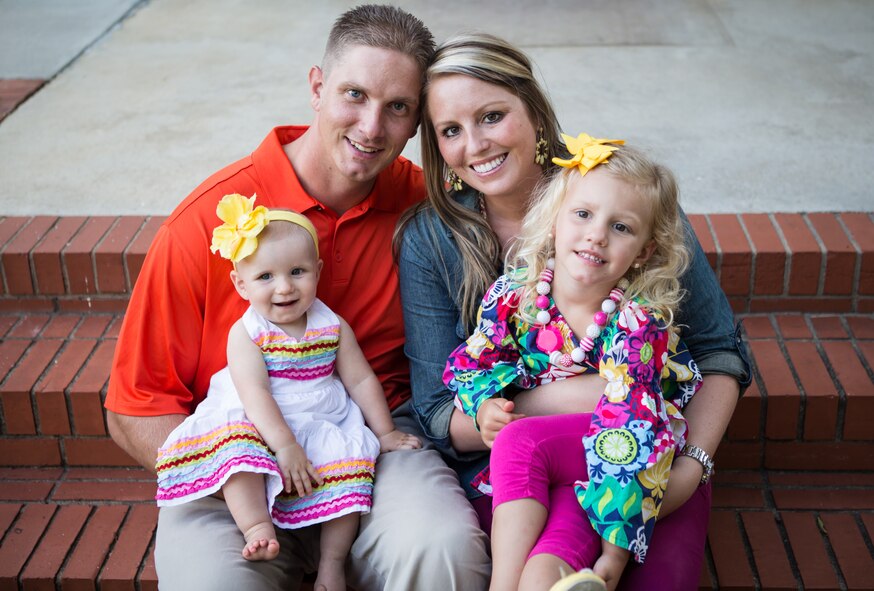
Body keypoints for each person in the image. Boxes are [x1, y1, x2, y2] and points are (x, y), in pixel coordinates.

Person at [105, 6, 491, 590]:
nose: (370, 126)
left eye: (397, 107)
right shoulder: (209, 222)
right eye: (353, 94)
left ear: (416, 123)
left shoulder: (426, 208)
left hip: (370, 449)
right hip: (237, 463)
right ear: (316, 87)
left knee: (442, 550)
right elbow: (136, 406)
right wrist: (239, 471)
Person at [395, 33, 750, 590]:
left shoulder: (626, 197)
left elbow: (718, 349)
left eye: (491, 116)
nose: (476, 145)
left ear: (534, 111)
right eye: (450, 131)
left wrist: (691, 466)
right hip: (518, 467)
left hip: (647, 457)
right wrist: (558, 401)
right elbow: (440, 410)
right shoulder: (432, 241)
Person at [444, 136, 702, 591]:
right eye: (582, 214)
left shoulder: (636, 322)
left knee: (522, 443)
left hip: (616, 460)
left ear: (643, 252)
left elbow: (629, 432)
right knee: (545, 570)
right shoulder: (515, 298)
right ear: (553, 224)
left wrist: (614, 554)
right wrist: (484, 404)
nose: (597, 235)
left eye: (621, 227)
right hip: (559, 468)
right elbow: (471, 362)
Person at [154, 195, 421, 590]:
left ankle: (332, 564)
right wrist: (284, 446)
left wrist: (383, 433)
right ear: (240, 284)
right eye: (265, 277)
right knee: (237, 455)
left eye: (297, 271)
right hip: (259, 419)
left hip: (319, 413)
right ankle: (257, 527)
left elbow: (361, 380)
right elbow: (255, 393)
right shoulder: (247, 333)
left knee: (350, 465)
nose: (284, 288)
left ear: (318, 270)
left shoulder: (331, 325)